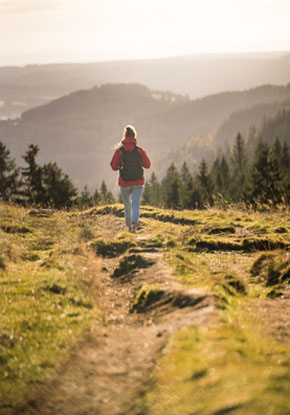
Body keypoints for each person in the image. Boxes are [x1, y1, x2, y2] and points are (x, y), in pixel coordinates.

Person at [110, 125, 151, 232]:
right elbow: (148, 165)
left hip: (124, 182)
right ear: (134, 136)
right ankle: (134, 223)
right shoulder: (139, 150)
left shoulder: (120, 151)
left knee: (127, 205)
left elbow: (113, 167)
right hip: (138, 181)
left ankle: (129, 227)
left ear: (124, 136)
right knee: (136, 204)